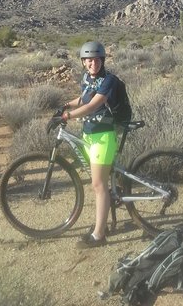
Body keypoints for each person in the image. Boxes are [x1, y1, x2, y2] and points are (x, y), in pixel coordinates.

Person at [61, 40, 118, 248]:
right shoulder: (87, 78)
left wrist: (68, 116)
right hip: (89, 135)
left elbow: (93, 105)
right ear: (83, 62)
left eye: (96, 59)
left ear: (102, 60)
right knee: (102, 181)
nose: (93, 63)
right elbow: (84, 98)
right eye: (88, 60)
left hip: (103, 136)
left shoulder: (108, 80)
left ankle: (99, 235)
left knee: (98, 184)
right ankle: (108, 220)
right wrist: (66, 105)